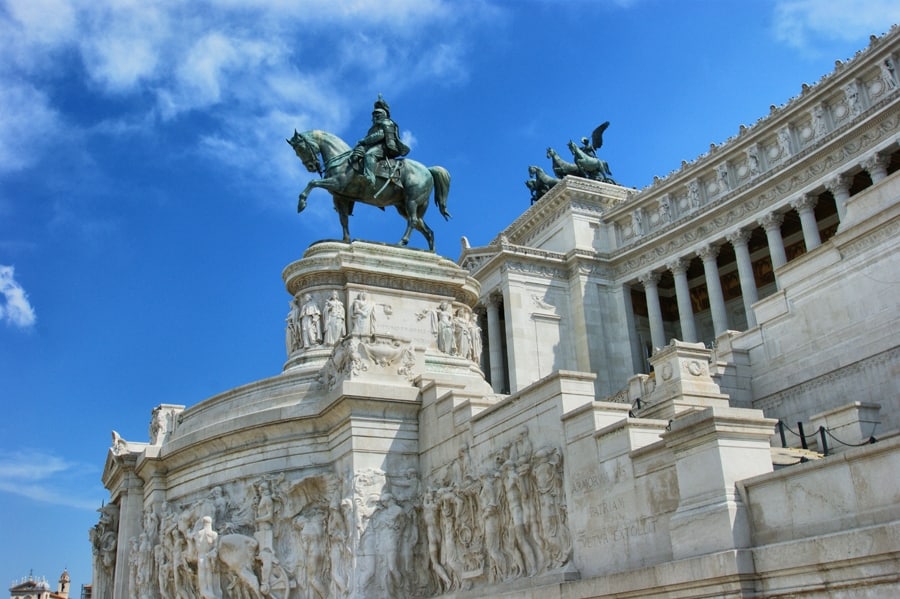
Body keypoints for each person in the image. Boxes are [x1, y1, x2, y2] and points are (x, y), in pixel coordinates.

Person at [354, 94, 410, 187]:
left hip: (385, 147)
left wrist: (364, 141)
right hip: (375, 146)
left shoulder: (387, 122)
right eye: (374, 114)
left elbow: (380, 135)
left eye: (377, 114)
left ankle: (369, 178)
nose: (374, 117)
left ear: (382, 114)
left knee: (369, 155)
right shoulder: (374, 127)